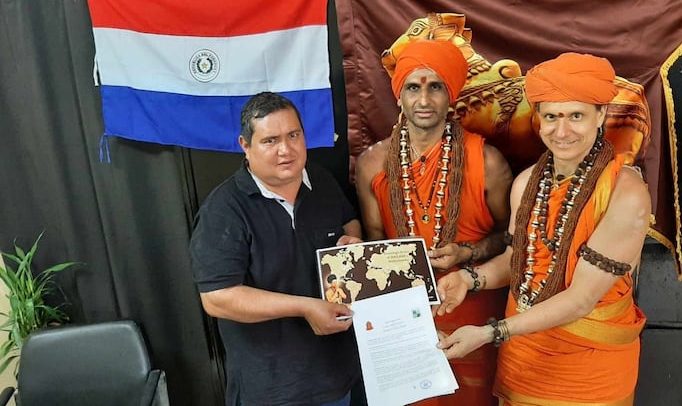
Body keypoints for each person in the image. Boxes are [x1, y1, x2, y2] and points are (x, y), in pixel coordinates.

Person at [435, 52, 651, 406]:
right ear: (538, 119)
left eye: (576, 116)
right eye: (551, 116)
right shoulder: (526, 183)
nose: (561, 131)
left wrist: (491, 333)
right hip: (523, 360)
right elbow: (517, 260)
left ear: (600, 115)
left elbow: (581, 299)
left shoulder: (625, 193)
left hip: (589, 372)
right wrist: (470, 279)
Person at [355, 39, 513, 406]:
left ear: (451, 95)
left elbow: (510, 239)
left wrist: (466, 252)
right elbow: (374, 243)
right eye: (413, 86)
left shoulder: (487, 161)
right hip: (403, 319)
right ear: (399, 96)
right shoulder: (372, 165)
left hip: (474, 311)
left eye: (435, 86)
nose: (423, 100)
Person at [189, 92, 363, 406]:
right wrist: (305, 307)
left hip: (338, 379)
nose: (286, 150)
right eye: (270, 140)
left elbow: (348, 219)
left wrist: (350, 244)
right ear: (245, 145)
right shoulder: (224, 210)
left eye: (293, 135)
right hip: (273, 389)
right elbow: (218, 298)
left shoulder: (320, 181)